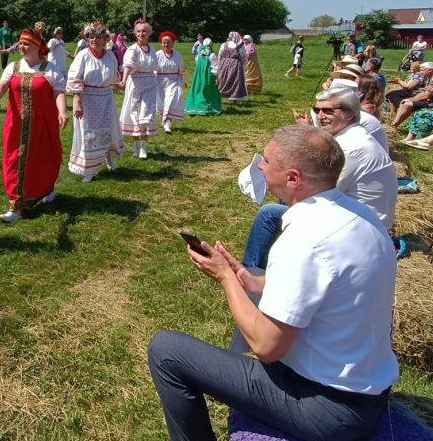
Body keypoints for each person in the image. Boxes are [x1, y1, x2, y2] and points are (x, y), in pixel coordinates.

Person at [148, 124, 397, 441]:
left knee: (166, 350)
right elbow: (332, 285)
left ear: (293, 178)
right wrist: (251, 280)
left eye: (265, 160)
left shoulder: (305, 238)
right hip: (365, 391)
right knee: (251, 302)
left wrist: (226, 278)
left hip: (326, 407)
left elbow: (266, 347)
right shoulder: (360, 215)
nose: (259, 165)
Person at [241, 87, 398, 269]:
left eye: (328, 111)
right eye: (317, 110)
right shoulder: (353, 136)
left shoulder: (350, 148)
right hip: (359, 218)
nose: (320, 116)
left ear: (350, 114)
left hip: (359, 229)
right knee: (284, 200)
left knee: (267, 214)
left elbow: (315, 193)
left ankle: (250, 272)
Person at [0, 28, 68, 222]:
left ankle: (46, 188)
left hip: (42, 124)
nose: (21, 47)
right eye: (20, 43)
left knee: (44, 158)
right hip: (16, 125)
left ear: (37, 47)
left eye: (26, 44)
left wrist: (62, 111)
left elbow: (58, 92)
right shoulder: (13, 67)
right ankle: (15, 206)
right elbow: (2, 85)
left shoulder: (49, 68)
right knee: (14, 160)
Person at [67, 23, 124, 181]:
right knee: (89, 133)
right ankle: (89, 169)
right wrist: (77, 101)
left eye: (99, 37)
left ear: (105, 39)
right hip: (88, 99)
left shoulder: (110, 56)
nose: (95, 40)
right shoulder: (83, 55)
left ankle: (108, 158)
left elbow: (113, 77)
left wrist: (119, 85)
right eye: (92, 37)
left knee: (107, 128)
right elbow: (75, 79)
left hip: (106, 98)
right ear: (87, 38)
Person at [120, 19, 160, 159]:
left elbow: (155, 66)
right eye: (138, 31)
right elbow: (128, 65)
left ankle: (144, 146)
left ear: (149, 33)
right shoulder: (132, 49)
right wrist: (124, 79)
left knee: (146, 115)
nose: (141, 33)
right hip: (135, 84)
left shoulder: (152, 49)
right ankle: (136, 147)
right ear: (135, 33)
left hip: (150, 84)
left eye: (144, 31)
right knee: (135, 115)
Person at [154, 31, 185, 134]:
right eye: (164, 42)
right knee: (162, 104)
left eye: (168, 42)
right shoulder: (157, 55)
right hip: (160, 82)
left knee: (170, 103)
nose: (166, 45)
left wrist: (183, 81)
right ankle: (165, 120)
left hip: (173, 82)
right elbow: (154, 70)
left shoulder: (177, 55)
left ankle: (167, 124)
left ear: (173, 43)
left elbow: (181, 70)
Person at [184, 37, 222, 116]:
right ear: (211, 45)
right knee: (208, 92)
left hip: (198, 76)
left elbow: (197, 65)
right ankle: (206, 108)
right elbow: (215, 68)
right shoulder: (212, 55)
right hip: (208, 77)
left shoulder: (198, 55)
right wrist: (217, 78)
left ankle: (196, 107)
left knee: (198, 90)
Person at [215, 31, 247, 102]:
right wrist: (243, 64)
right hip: (236, 64)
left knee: (224, 79)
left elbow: (220, 55)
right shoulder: (240, 46)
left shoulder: (224, 44)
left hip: (224, 63)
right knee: (236, 80)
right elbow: (244, 56)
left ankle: (220, 95)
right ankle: (235, 98)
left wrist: (220, 63)